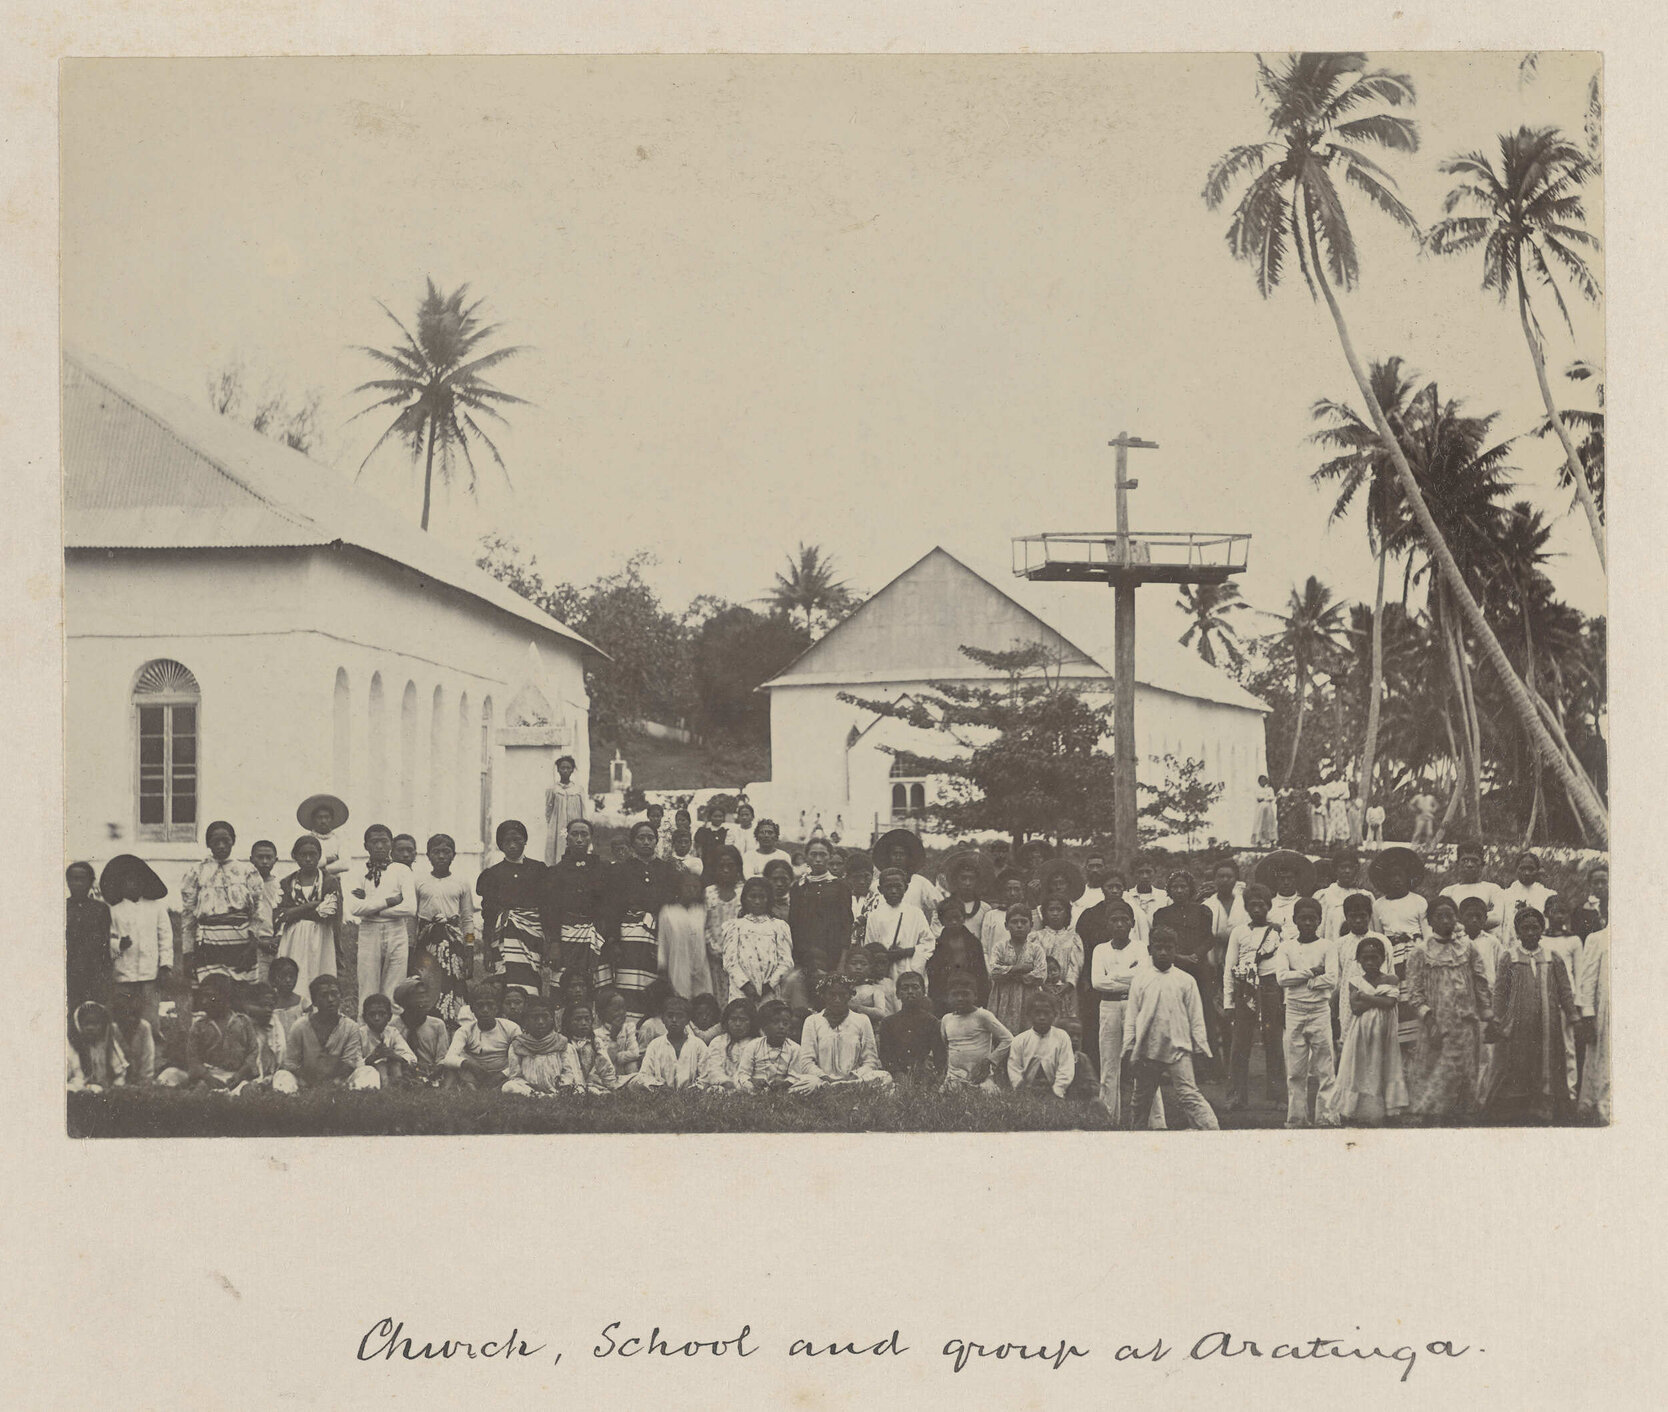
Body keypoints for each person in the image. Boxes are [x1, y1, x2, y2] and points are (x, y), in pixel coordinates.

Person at [1483, 907, 1576, 1124]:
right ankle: (1517, 1109)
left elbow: (1564, 989)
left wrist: (1573, 1015)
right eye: (1526, 928)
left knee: (1546, 1060)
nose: (1531, 932)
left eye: (1535, 928)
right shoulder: (1510, 957)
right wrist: (1497, 1019)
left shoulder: (1552, 957)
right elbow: (1500, 992)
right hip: (1518, 1024)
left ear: (1541, 930)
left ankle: (1544, 1107)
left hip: (1547, 1024)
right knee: (1518, 1061)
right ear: (1517, 931)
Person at [1122, 926, 1219, 1130]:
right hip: (1148, 1049)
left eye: (1168, 948)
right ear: (1150, 950)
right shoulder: (1141, 980)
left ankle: (1212, 1132)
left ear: (1176, 949)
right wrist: (1129, 1047)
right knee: (1140, 1101)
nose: (1163, 953)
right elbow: (1131, 1017)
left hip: (1178, 1048)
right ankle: (1134, 1139)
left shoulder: (1185, 980)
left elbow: (1196, 1017)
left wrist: (1201, 1047)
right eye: (1158, 948)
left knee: (1189, 1094)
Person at [1407, 896, 1492, 1124]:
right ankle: (1432, 1119)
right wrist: (1429, 1021)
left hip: (1465, 1023)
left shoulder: (1467, 948)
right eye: (1440, 916)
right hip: (1436, 1025)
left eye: (1450, 915)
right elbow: (1414, 992)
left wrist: (1487, 1014)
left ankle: (1462, 1117)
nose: (1446, 921)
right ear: (1430, 921)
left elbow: (1480, 981)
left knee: (1465, 1071)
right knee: (1436, 1073)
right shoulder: (1420, 951)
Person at [605, 820, 680, 1019]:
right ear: (632, 842)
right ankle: (629, 1027)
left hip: (658, 935)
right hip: (629, 938)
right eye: (641, 838)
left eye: (650, 838)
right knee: (627, 982)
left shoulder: (667, 870)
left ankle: (649, 1027)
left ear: (656, 841)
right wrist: (614, 941)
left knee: (654, 982)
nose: (646, 842)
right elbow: (612, 907)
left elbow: (673, 906)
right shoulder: (620, 870)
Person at [1222, 883, 1286, 1112]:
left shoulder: (1278, 932)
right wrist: (1228, 1001)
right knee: (1240, 1044)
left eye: (1261, 905)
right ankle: (1236, 1095)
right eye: (1252, 905)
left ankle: (1279, 1095)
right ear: (1246, 907)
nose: (1257, 909)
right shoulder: (1239, 932)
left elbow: (1284, 966)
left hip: (1270, 988)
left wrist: (1284, 998)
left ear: (1269, 906)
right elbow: (1230, 965)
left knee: (1274, 1042)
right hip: (1245, 989)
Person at [1275, 897, 1338, 1128]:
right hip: (1294, 1011)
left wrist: (1306, 980)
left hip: (1320, 1011)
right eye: (1303, 918)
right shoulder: (1286, 947)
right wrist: (1312, 972)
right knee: (1295, 1070)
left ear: (1320, 921)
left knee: (1325, 1067)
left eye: (1313, 919)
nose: (1308, 923)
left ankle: (1327, 1117)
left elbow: (1331, 979)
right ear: (1295, 920)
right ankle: (1297, 1119)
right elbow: (1282, 978)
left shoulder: (1328, 946)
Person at [1332, 936, 1408, 1125]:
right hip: (1362, 1032)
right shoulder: (1355, 981)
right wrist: (1376, 1000)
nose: (1370, 962)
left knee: (1383, 1066)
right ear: (1358, 960)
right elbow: (1356, 1008)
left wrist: (1366, 996)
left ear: (1383, 959)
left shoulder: (1391, 978)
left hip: (1384, 1032)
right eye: (1365, 958)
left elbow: (1389, 1003)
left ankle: (1385, 1110)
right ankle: (1360, 1110)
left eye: (1374, 958)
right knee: (1362, 1067)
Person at [476, 820, 552, 998]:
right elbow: (488, 913)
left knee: (531, 979)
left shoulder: (538, 869)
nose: (512, 845)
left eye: (517, 840)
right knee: (505, 979)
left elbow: (547, 908)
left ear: (525, 841)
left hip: (532, 934)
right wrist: (487, 947)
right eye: (507, 841)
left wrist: (549, 942)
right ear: (500, 845)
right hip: (503, 934)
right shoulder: (492, 874)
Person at [180, 820, 262, 984]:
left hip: (241, 947)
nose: (221, 846)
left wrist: (252, 947)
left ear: (233, 841)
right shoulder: (197, 872)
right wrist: (188, 954)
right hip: (209, 946)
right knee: (211, 994)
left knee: (242, 996)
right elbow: (188, 915)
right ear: (208, 844)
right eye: (216, 842)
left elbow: (257, 913)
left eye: (226, 841)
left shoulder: (247, 871)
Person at [1152, 871, 1221, 1067]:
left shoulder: (1202, 911)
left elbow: (1210, 938)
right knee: (1173, 1014)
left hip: (1200, 970)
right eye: (1175, 887)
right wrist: (1179, 957)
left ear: (1190, 889)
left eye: (1183, 887)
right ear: (1169, 891)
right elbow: (1157, 940)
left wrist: (1196, 956)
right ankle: (1173, 1064)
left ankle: (1207, 1067)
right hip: (1173, 968)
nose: (1180, 890)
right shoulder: (1162, 914)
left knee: (1203, 1015)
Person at [343, 824, 413, 1009]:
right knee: (368, 986)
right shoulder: (357, 872)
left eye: (384, 841)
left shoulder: (401, 871)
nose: (380, 846)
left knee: (395, 988)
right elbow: (355, 908)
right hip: (369, 930)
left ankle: (393, 1034)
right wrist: (389, 901)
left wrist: (373, 908)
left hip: (396, 929)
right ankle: (365, 1033)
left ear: (391, 844)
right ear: (366, 846)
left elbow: (410, 908)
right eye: (374, 842)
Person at [103, 855, 172, 1037]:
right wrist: (119, 944)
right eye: (128, 881)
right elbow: (108, 938)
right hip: (124, 973)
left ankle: (152, 1043)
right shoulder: (114, 910)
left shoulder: (156, 908)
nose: (132, 885)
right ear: (120, 884)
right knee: (124, 1013)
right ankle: (124, 1045)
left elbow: (165, 936)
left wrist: (165, 965)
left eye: (137, 881)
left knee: (149, 1012)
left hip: (149, 973)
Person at [156, 972, 260, 1090]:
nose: (204, 1001)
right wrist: (207, 1077)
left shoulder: (243, 1022)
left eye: (211, 997)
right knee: (200, 1089)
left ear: (226, 997)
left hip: (237, 1076)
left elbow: (253, 1051)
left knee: (249, 1090)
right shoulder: (199, 1026)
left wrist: (240, 1074)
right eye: (203, 997)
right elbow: (193, 1057)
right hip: (209, 1076)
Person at [273, 975, 375, 1093]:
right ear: (314, 1001)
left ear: (340, 997)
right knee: (281, 1076)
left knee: (368, 1072)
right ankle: (293, 1102)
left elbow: (349, 1063)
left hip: (340, 1081)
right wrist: (310, 1082)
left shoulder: (351, 1027)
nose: (330, 999)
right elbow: (291, 1063)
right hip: (306, 1081)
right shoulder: (300, 1026)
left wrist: (331, 1084)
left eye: (334, 994)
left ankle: (355, 1101)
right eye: (324, 995)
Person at [413, 834, 475, 1023]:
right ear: (428, 856)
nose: (441, 856)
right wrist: (410, 947)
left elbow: (467, 918)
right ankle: (428, 1022)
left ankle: (454, 1021)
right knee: (427, 979)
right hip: (427, 940)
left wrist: (470, 948)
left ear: (453, 855)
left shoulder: (461, 882)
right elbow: (412, 917)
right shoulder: (419, 881)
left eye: (446, 852)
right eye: (436, 852)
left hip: (453, 940)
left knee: (453, 980)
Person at [274, 835, 342, 1003]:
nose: (308, 859)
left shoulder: (329, 881)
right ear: (294, 856)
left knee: (318, 972)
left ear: (319, 856)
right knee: (295, 973)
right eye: (303, 855)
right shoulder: (286, 882)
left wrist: (294, 911)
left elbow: (329, 912)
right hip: (293, 937)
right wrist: (311, 905)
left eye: (313, 854)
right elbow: (281, 914)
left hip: (320, 936)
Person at [794, 975, 892, 1090]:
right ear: (823, 996)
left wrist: (853, 1076)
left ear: (850, 995)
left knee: (884, 1077)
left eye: (842, 995)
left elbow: (870, 1061)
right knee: (806, 1082)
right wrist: (825, 1077)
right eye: (832, 995)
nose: (837, 999)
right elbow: (806, 1062)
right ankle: (834, 1089)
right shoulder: (812, 1021)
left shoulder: (862, 1020)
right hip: (822, 1081)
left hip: (854, 1080)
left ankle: (841, 1089)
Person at [548, 817, 610, 990]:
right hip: (566, 936)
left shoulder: (603, 868)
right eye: (574, 834)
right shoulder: (556, 872)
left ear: (591, 838)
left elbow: (609, 905)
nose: (579, 839)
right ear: (567, 838)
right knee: (566, 987)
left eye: (584, 834)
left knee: (598, 988)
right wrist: (554, 943)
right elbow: (551, 910)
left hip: (596, 936)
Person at [722, 877, 795, 1005]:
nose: (757, 901)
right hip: (741, 992)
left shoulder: (779, 927)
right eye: (753, 897)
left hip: (769, 992)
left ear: (769, 899)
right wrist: (746, 986)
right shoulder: (735, 926)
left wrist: (769, 985)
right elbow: (729, 962)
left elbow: (786, 962)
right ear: (745, 899)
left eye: (762, 897)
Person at [439, 982, 522, 1089]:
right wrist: (470, 1065)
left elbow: (521, 1058)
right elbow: (449, 1057)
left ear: (497, 1007)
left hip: (503, 1073)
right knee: (452, 1067)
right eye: (480, 1005)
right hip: (475, 1073)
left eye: (490, 1005)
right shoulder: (466, 1030)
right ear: (472, 1009)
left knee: (515, 1076)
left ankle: (491, 1088)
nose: (485, 1010)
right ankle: (460, 1089)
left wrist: (502, 1074)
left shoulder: (511, 1028)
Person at [789, 838, 856, 969]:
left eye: (823, 855)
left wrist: (842, 962)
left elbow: (846, 925)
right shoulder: (798, 887)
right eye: (813, 854)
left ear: (830, 857)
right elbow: (793, 924)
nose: (818, 859)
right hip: (804, 956)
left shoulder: (841, 886)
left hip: (832, 955)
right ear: (806, 857)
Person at [940, 971, 1013, 1090]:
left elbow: (1008, 1039)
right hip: (954, 1076)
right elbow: (947, 1045)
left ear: (975, 996)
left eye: (965, 994)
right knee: (948, 1094)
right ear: (948, 997)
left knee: (986, 1092)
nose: (960, 998)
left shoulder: (983, 1016)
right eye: (955, 994)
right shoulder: (946, 1019)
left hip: (980, 1076)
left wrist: (990, 1061)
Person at [864, 868, 935, 982]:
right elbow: (870, 947)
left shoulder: (915, 913)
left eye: (898, 887)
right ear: (880, 889)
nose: (893, 891)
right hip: (884, 971)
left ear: (906, 888)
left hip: (909, 967)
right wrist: (884, 955)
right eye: (888, 887)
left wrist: (905, 952)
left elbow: (929, 943)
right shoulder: (874, 916)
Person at [987, 902, 1047, 1036]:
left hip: (1028, 997)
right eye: (1014, 922)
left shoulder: (1036, 949)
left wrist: (1008, 973)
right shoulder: (999, 947)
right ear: (1006, 926)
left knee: (1028, 1035)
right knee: (1003, 1035)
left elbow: (1041, 974)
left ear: (1031, 925)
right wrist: (1019, 968)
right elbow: (993, 971)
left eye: (1023, 922)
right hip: (1002, 997)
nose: (1019, 926)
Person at [924, 897, 991, 1013]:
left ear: (963, 918)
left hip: (970, 992)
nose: (954, 922)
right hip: (946, 994)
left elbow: (982, 973)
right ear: (941, 920)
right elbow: (934, 976)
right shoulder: (936, 944)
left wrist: (982, 998)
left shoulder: (973, 942)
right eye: (949, 919)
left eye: (957, 918)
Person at [878, 970, 945, 1080]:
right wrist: (897, 1074)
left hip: (924, 1077)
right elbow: (886, 1055)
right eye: (905, 988)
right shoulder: (888, 1023)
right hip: (896, 1077)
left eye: (915, 987)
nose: (910, 991)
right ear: (898, 994)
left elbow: (939, 1057)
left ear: (923, 992)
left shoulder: (932, 1022)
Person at [630, 994, 708, 1089]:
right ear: (663, 1019)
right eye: (670, 1016)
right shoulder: (655, 1045)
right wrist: (658, 1087)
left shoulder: (698, 1045)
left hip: (691, 1097)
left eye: (679, 1016)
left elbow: (706, 1076)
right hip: (661, 1096)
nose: (674, 1020)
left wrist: (693, 1090)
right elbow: (644, 1075)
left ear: (688, 1020)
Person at [658, 867, 713, 1001]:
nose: (692, 890)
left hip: (701, 964)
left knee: (702, 999)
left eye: (696, 887)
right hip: (677, 963)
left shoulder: (702, 911)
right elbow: (663, 941)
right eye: (687, 886)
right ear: (679, 888)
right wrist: (662, 966)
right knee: (680, 997)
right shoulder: (668, 911)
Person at [1007, 990, 1075, 1097]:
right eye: (1037, 1013)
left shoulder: (1062, 1037)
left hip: (1054, 1089)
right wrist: (1021, 1089)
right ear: (1029, 1015)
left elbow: (1066, 1067)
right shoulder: (1020, 1040)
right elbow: (1014, 1068)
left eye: (1047, 1013)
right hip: (1026, 1090)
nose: (1042, 1017)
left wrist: (1057, 1091)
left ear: (1055, 1015)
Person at [500, 999, 573, 1096]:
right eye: (535, 1017)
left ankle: (555, 1095)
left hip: (558, 1088)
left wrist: (563, 1086)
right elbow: (515, 1076)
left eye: (545, 1017)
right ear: (526, 1021)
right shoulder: (518, 1045)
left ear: (552, 1019)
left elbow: (568, 1072)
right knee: (508, 1087)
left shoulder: (562, 1043)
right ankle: (537, 1096)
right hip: (530, 1089)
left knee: (579, 1089)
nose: (540, 1022)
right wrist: (528, 1087)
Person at [65, 861, 113, 1012]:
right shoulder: (62, 908)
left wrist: (105, 976)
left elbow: (104, 944)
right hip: (68, 972)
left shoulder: (100, 909)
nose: (77, 883)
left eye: (82, 879)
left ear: (91, 882)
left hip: (93, 974)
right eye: (73, 879)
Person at [1576, 921, 1611, 1124]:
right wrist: (1587, 1014)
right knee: (1601, 1057)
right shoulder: (1597, 939)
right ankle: (1598, 1106)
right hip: (1604, 1010)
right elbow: (1587, 980)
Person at [1030, 897, 1083, 1026]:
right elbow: (1034, 962)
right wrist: (1043, 984)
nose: (1055, 913)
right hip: (1042, 988)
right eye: (1051, 910)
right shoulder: (1037, 937)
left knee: (1067, 1023)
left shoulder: (1073, 938)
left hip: (1066, 990)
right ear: (1045, 913)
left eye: (1059, 909)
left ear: (1066, 913)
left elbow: (1076, 964)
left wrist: (1069, 984)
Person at [392, 978, 450, 1083]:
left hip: (430, 1071)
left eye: (425, 995)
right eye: (418, 996)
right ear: (405, 1001)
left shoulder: (437, 1025)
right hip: (403, 1070)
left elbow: (442, 1057)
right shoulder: (393, 1027)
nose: (423, 1000)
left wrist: (437, 1068)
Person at [737, 999, 802, 1093]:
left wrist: (785, 1083)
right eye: (775, 1022)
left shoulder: (794, 1048)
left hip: (783, 1087)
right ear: (764, 1027)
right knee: (739, 1081)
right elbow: (743, 1073)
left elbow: (795, 1075)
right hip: (757, 1087)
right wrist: (753, 1081)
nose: (781, 1027)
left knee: (811, 1081)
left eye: (785, 1023)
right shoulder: (753, 1045)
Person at [553, 1000, 617, 1093]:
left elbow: (606, 1067)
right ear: (568, 1021)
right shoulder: (562, 1042)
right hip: (568, 1084)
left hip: (590, 1084)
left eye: (587, 1019)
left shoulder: (595, 1042)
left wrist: (612, 1087)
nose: (583, 1023)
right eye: (577, 1019)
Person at [1440, 841, 1504, 932]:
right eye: (1465, 860)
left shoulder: (1493, 889)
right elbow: (1443, 920)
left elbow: (1497, 918)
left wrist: (1460, 922)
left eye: (1474, 860)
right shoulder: (1448, 892)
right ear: (1457, 864)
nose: (1469, 864)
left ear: (1482, 864)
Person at [357, 992, 417, 1088]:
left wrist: (393, 1055)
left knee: (395, 1064)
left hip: (391, 1071)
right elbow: (353, 1062)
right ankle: (384, 1088)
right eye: (372, 1014)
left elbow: (411, 1057)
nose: (377, 1018)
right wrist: (373, 1057)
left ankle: (396, 1090)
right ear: (364, 1017)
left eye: (382, 1014)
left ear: (389, 1016)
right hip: (367, 1074)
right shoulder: (359, 1034)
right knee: (380, 1064)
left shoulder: (392, 1032)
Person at [67, 1001, 127, 1092]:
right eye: (86, 1024)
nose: (90, 1028)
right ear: (79, 1024)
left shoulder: (109, 1046)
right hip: (81, 1092)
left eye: (95, 1024)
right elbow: (69, 1078)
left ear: (103, 1025)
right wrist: (86, 1087)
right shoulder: (73, 1048)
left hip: (106, 1092)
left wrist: (115, 1087)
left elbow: (119, 1072)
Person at [700, 998, 758, 1090]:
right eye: (733, 1019)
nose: (738, 1024)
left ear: (752, 1022)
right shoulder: (718, 1042)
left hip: (747, 1087)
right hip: (723, 1087)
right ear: (726, 1021)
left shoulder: (757, 1044)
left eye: (743, 1020)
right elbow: (714, 1069)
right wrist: (726, 1083)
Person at [247, 839, 283, 984]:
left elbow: (283, 914)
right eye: (260, 857)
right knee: (257, 982)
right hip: (253, 943)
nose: (264, 861)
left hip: (275, 942)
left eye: (269, 857)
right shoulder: (245, 884)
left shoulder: (280, 885)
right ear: (251, 859)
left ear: (276, 859)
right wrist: (257, 941)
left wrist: (279, 937)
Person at [543, 754, 588, 868]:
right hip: (558, 825)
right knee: (559, 846)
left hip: (575, 822)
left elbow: (583, 809)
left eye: (568, 768)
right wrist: (554, 824)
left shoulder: (578, 789)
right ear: (558, 770)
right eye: (562, 768)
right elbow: (548, 810)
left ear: (572, 770)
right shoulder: (553, 789)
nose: (565, 770)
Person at [108, 984, 157, 1085]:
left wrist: (144, 1080)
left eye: (134, 1014)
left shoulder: (144, 1028)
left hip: (141, 1079)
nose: (131, 1019)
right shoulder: (112, 1030)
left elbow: (148, 1058)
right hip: (118, 1079)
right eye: (126, 1014)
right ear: (117, 1015)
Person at [1315, 848, 1366, 943]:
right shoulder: (1325, 895)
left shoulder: (1365, 895)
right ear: (1335, 870)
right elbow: (1319, 930)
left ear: (1356, 869)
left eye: (1351, 867)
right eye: (1343, 867)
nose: (1347, 871)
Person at [594, 986, 642, 1082]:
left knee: (632, 1064)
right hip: (608, 1074)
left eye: (624, 1008)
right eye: (616, 1010)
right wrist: (613, 1038)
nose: (622, 1013)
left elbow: (635, 1053)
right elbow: (606, 1062)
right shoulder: (597, 1034)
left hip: (626, 1071)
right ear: (602, 1013)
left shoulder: (629, 1027)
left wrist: (617, 1057)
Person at [297, 793, 352, 877]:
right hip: (313, 881)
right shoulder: (307, 840)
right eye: (319, 817)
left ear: (332, 819)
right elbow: (306, 864)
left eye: (327, 817)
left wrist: (322, 869)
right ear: (313, 819)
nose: (323, 821)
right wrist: (329, 860)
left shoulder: (339, 839)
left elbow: (345, 864)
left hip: (334, 882)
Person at [980, 871, 1030, 961]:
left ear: (1023, 892)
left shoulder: (1028, 916)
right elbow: (984, 949)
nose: (1012, 893)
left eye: (1016, 889)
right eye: (1008, 889)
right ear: (1003, 891)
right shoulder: (991, 915)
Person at [1122, 859, 1167, 943]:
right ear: (1133, 874)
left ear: (1154, 873)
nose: (1145, 876)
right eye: (1140, 872)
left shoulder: (1164, 896)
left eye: (1148, 872)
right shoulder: (1125, 896)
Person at [268, 956, 306, 1037]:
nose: (288, 980)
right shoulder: (268, 1005)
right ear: (273, 978)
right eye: (283, 976)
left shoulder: (303, 1003)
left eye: (292, 976)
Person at [762, 857, 795, 922]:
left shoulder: (799, 904)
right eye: (774, 879)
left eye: (783, 879)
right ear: (766, 880)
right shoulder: (758, 904)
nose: (779, 884)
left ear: (791, 880)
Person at [1251, 774, 1279, 848]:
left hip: (1268, 809)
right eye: (1262, 780)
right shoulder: (1257, 789)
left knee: (1270, 823)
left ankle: (1272, 840)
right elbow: (1258, 798)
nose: (1263, 782)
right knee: (1260, 823)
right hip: (1260, 809)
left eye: (1265, 780)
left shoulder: (1270, 789)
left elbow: (1272, 797)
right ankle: (1259, 841)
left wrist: (1265, 798)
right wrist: (1266, 797)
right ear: (1259, 781)